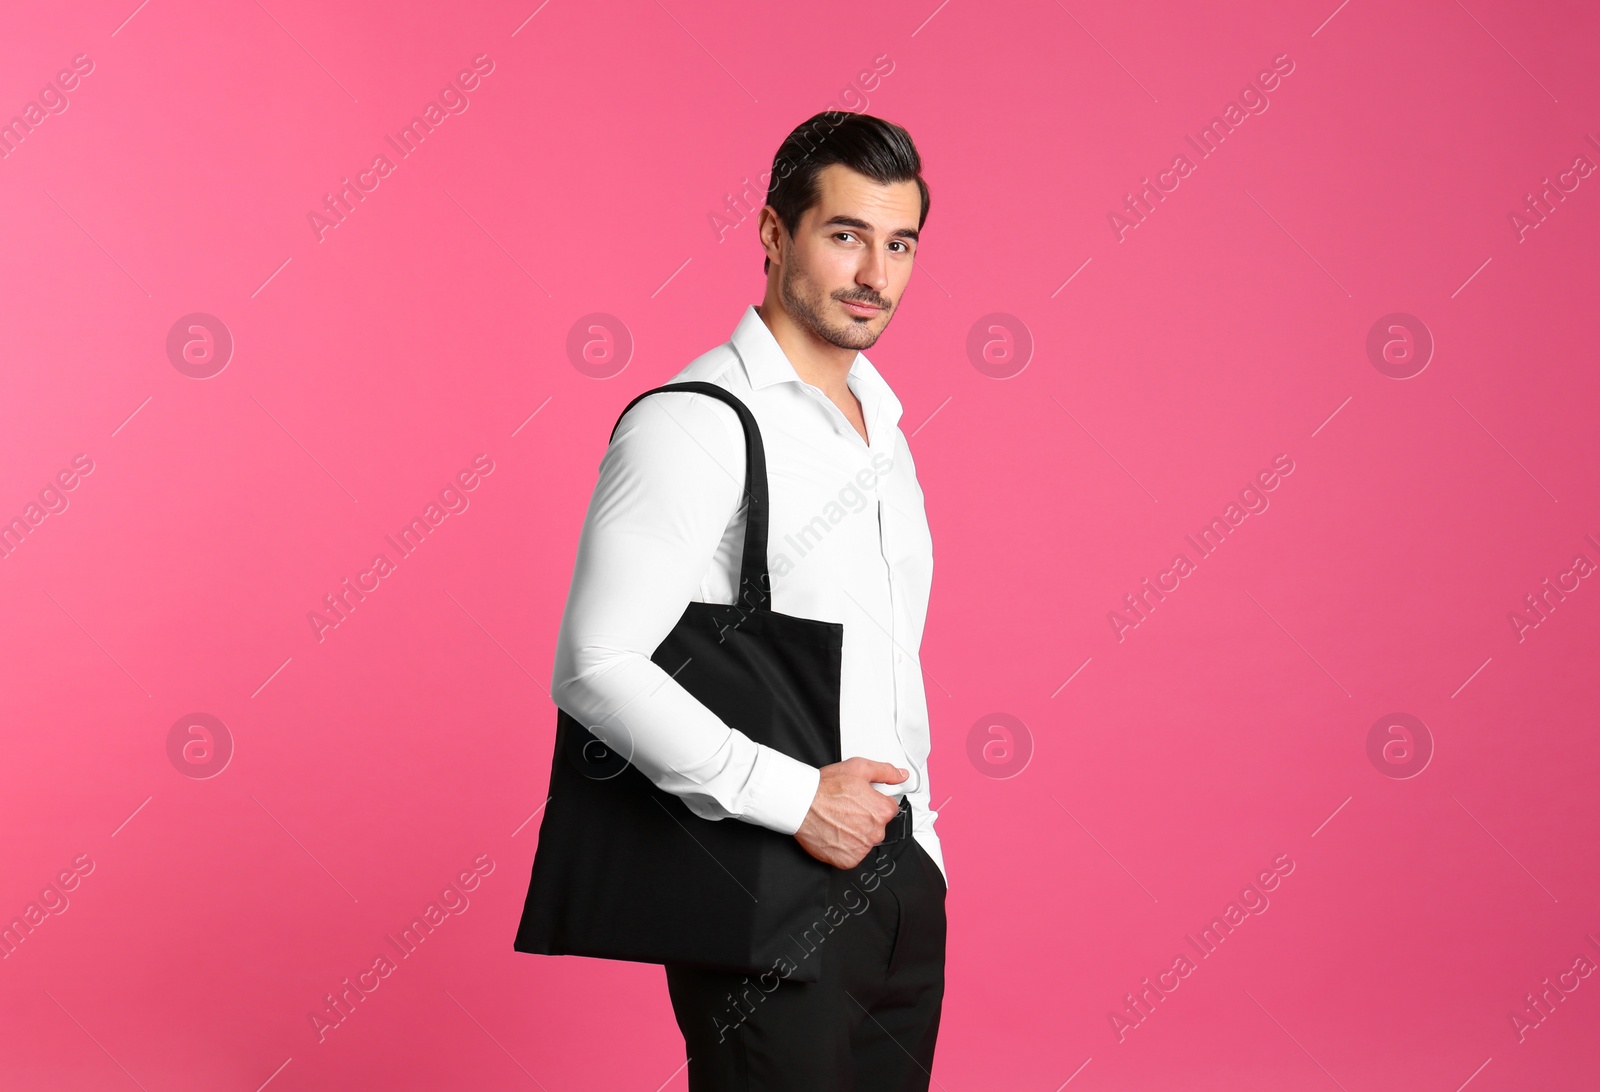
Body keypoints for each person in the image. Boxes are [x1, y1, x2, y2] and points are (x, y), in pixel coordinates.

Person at [549, 110, 945, 1090]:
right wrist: (799, 799)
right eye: (845, 235)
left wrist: (923, 855)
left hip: (902, 878)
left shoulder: (882, 431)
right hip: (768, 881)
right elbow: (593, 666)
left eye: (898, 244)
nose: (874, 275)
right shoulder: (696, 422)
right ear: (774, 234)